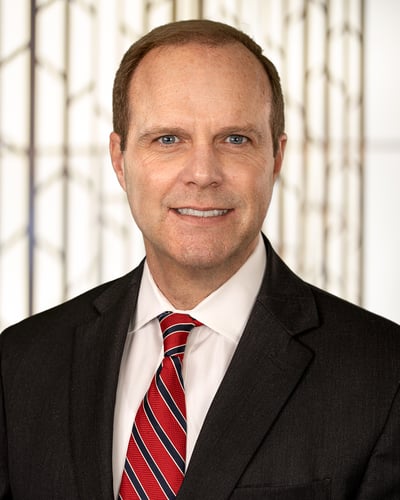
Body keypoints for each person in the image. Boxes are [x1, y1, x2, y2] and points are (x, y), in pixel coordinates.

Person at [1, 19, 399, 500]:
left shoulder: (384, 373)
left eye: (235, 139)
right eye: (168, 139)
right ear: (120, 159)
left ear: (276, 157)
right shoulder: (19, 363)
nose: (203, 173)